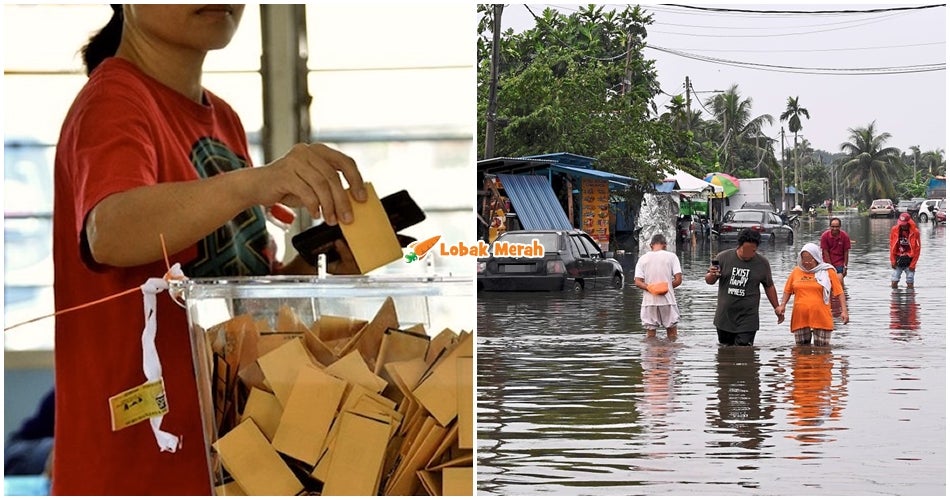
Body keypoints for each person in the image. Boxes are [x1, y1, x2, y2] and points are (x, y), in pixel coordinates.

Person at [52, 6, 365, 495]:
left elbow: (238, 300)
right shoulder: (114, 99)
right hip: (139, 469)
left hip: (225, 459)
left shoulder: (224, 119)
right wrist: (255, 183)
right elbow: (108, 230)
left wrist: (320, 262)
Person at [705, 228, 784, 346]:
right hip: (724, 318)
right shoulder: (723, 258)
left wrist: (776, 308)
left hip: (748, 318)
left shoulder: (762, 263)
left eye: (753, 250)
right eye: (746, 250)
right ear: (739, 246)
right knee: (725, 352)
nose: (750, 254)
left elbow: (769, 286)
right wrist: (711, 274)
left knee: (744, 352)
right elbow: (709, 281)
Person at [776, 243, 850, 347]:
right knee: (801, 353)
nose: (806, 262)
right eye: (804, 259)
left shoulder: (827, 271)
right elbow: (787, 291)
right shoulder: (796, 271)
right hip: (800, 317)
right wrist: (782, 305)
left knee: (823, 352)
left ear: (816, 258)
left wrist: (844, 311)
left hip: (821, 317)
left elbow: (839, 292)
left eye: (809, 259)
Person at [633, 234, 683, 339]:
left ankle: (652, 353)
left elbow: (637, 282)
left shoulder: (643, 259)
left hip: (649, 302)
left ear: (651, 245)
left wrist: (651, 288)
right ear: (665, 245)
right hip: (668, 301)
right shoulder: (672, 257)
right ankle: (670, 352)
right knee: (672, 334)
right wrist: (665, 288)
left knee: (650, 336)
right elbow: (678, 280)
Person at [889, 212, 921, 289]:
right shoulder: (894, 230)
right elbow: (891, 247)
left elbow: (917, 250)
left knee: (910, 283)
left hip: (909, 261)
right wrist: (893, 261)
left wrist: (913, 265)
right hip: (898, 259)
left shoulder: (915, 232)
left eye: (904, 224)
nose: (903, 225)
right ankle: (895, 299)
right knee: (894, 282)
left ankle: (910, 299)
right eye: (901, 223)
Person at [819, 217, 851, 283]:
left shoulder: (845, 236)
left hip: (839, 263)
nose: (835, 229)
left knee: (839, 281)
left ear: (840, 227)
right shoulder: (825, 236)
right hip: (826, 263)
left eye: (837, 227)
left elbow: (846, 252)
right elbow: (825, 252)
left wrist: (845, 266)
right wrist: (830, 266)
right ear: (830, 226)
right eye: (833, 226)